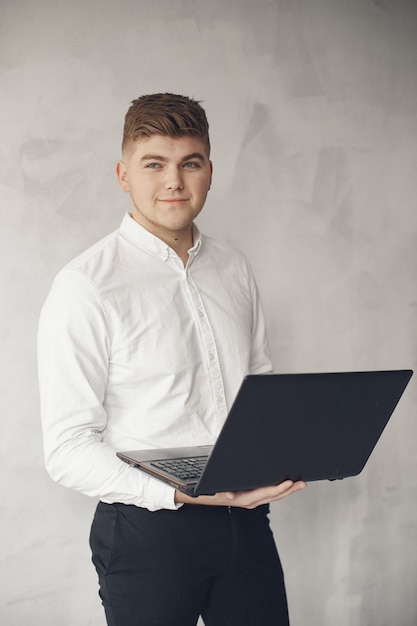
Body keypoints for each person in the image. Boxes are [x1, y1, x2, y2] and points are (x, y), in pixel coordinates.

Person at [38, 93, 306, 626]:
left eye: (190, 163)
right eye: (154, 164)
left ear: (209, 171)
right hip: (146, 535)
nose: (173, 182)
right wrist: (182, 493)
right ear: (123, 174)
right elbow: (66, 449)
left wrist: (284, 454)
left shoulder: (234, 269)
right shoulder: (86, 285)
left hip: (245, 520)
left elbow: (260, 386)